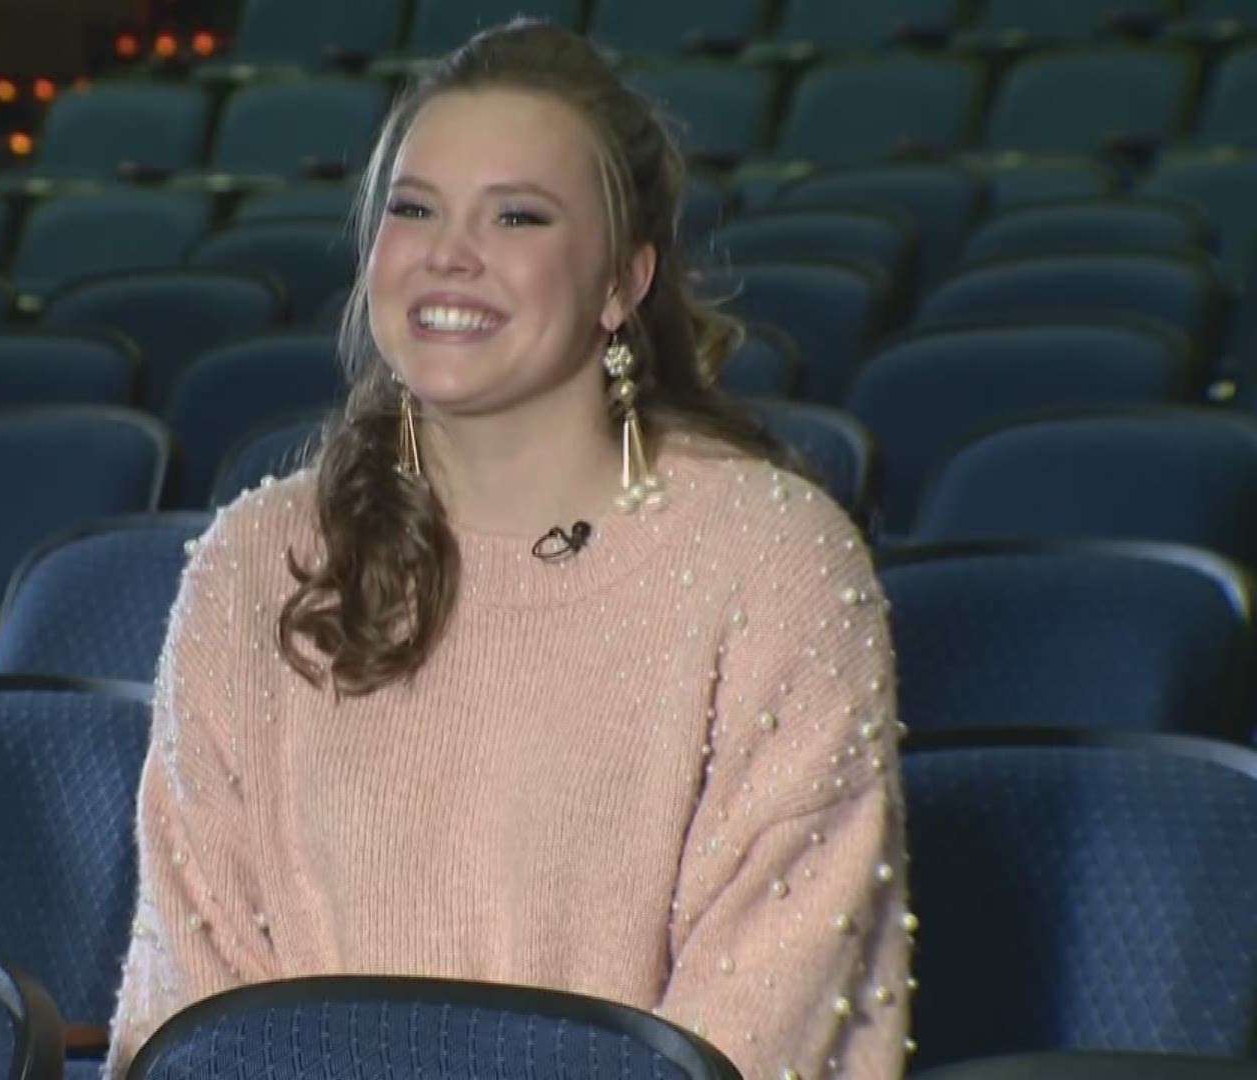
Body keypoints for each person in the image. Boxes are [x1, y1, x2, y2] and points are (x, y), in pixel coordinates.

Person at [105, 19, 914, 1080]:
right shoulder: (252, 564)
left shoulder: (774, 563)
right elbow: (196, 1009)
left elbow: (759, 1022)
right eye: (414, 209)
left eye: (518, 215)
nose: (450, 253)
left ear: (622, 283)